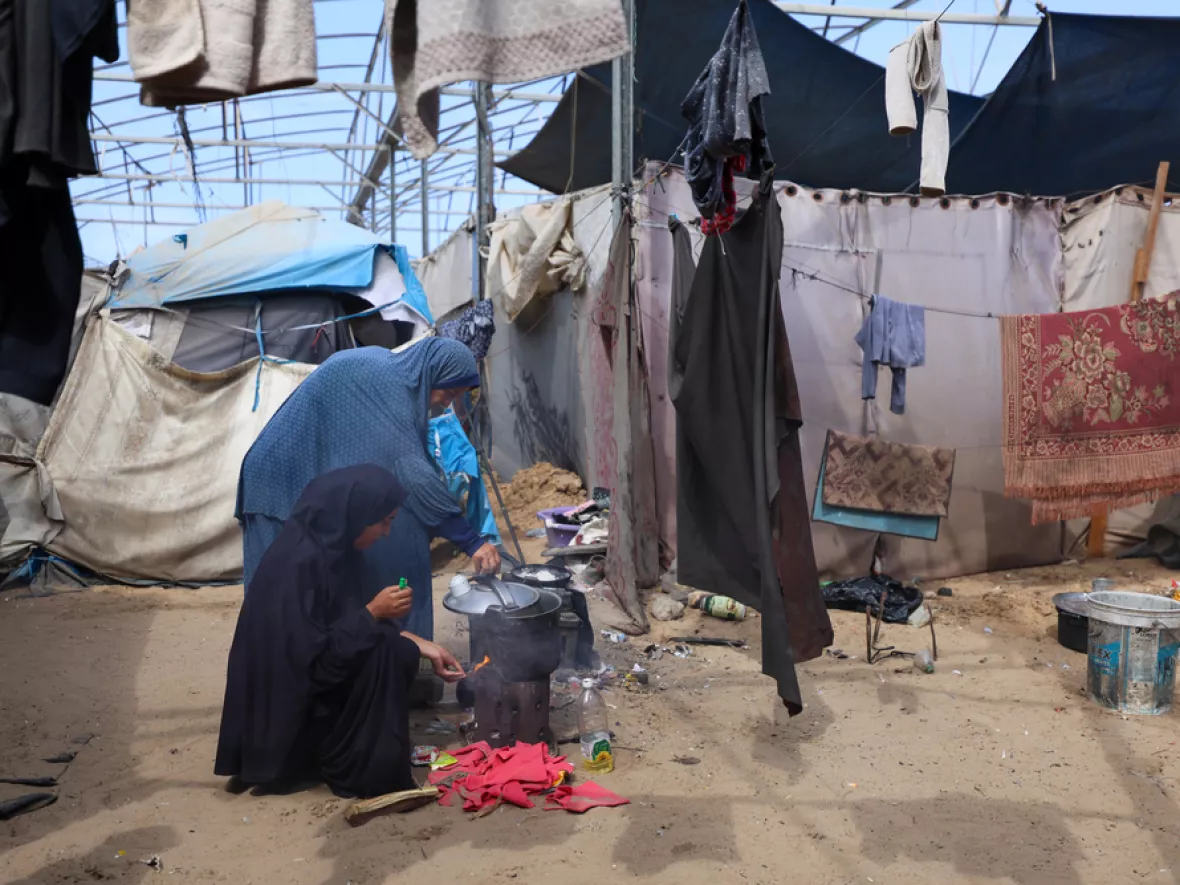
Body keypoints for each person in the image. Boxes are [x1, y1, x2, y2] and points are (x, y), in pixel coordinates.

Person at [215, 464, 466, 799]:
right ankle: (368, 770)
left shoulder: (333, 551)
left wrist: (426, 646)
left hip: (306, 694)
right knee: (389, 655)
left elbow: (343, 624)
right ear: (356, 514)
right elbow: (315, 664)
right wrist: (373, 613)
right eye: (383, 521)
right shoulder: (296, 566)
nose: (387, 532)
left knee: (400, 650)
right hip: (287, 721)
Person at [235, 337, 502, 640]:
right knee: (276, 601)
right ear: (432, 374)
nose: (445, 402)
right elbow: (412, 473)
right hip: (276, 482)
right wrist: (471, 541)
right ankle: (268, 680)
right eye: (448, 391)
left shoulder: (394, 375)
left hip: (295, 482)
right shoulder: (392, 388)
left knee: (309, 602)